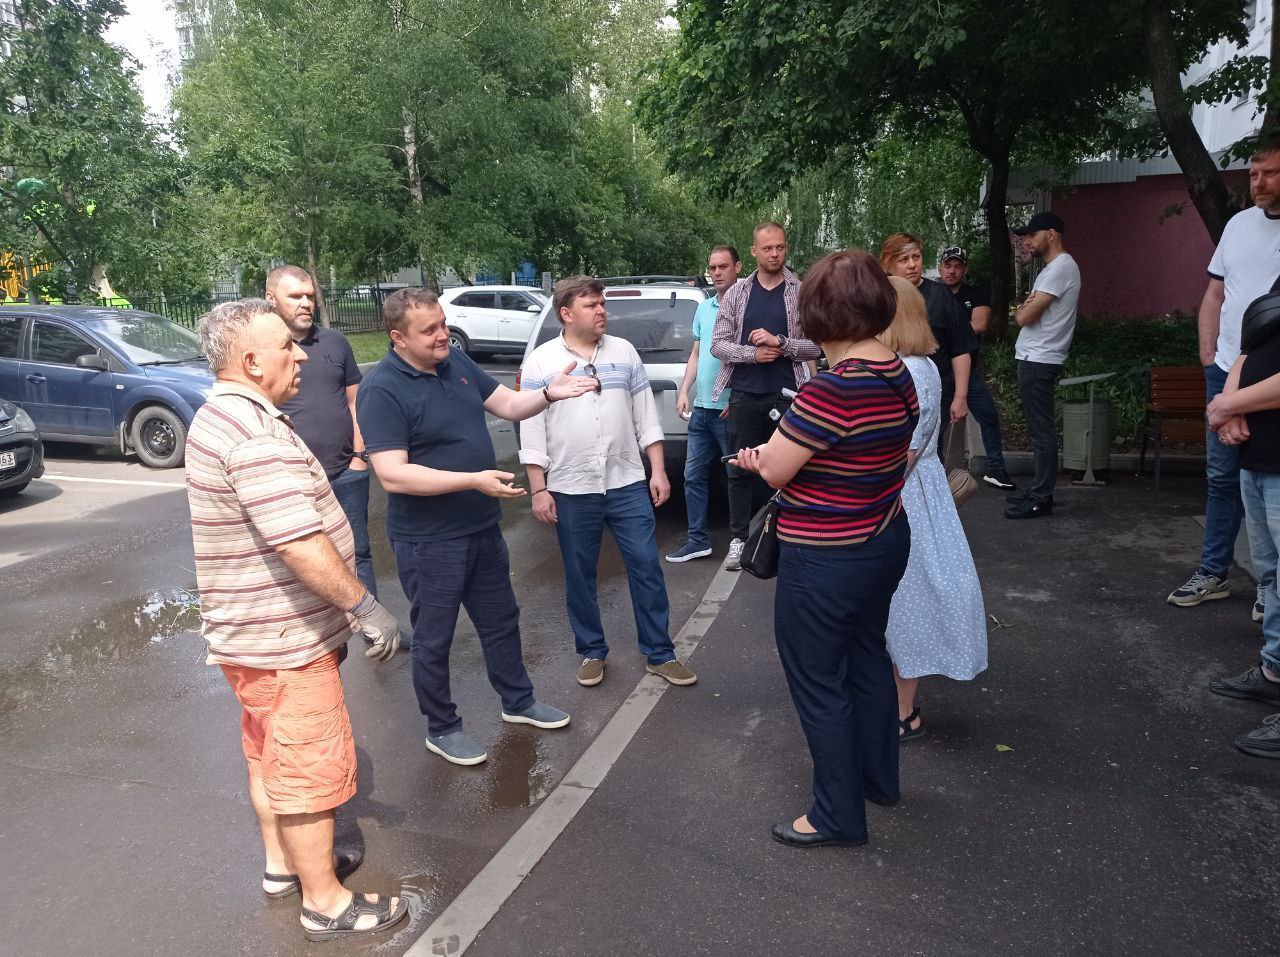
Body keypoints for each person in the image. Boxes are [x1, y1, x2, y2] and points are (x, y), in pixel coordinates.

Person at [186, 299, 407, 942]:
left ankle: (283, 867)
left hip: (250, 638)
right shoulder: (254, 434)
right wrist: (366, 608)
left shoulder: (220, 414)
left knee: (269, 756)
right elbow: (299, 543)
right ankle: (326, 903)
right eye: (287, 346)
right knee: (308, 769)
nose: (300, 356)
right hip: (286, 642)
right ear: (253, 362)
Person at [357, 288, 597, 766]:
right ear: (398, 337)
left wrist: (547, 394)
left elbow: (508, 405)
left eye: (443, 323)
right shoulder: (381, 388)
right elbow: (392, 474)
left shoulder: (456, 362)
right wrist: (471, 480)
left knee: (500, 620)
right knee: (434, 637)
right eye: (429, 330)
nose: (443, 334)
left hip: (481, 527)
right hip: (429, 541)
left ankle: (518, 701)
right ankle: (442, 727)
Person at [732, 250, 918, 849]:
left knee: (818, 681)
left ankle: (836, 815)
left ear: (818, 314)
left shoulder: (832, 390)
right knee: (867, 660)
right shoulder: (897, 370)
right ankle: (878, 782)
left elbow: (777, 469)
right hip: (883, 537)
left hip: (826, 554)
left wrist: (758, 459)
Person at [520, 276, 698, 689]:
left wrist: (657, 470)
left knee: (646, 566)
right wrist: (539, 488)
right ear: (566, 313)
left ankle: (660, 653)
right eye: (591, 305)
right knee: (580, 573)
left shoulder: (624, 352)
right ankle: (592, 651)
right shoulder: (542, 362)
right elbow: (531, 429)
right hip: (570, 485)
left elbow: (645, 417)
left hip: (626, 480)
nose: (602, 311)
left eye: (602, 303)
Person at [1169, 137, 1280, 616]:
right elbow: (1214, 294)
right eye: (1254, 174)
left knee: (1267, 481)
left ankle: (1270, 588)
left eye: (1270, 173)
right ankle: (1213, 572)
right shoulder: (1237, 225)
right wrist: (1208, 354)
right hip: (1225, 371)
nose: (1259, 182)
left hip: (1271, 380)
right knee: (1221, 477)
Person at [880, 277, 988, 741]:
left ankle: (902, 712)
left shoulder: (906, 369)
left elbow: (902, 452)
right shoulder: (920, 364)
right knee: (909, 597)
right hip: (919, 490)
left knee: (906, 599)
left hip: (904, 492)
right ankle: (897, 707)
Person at [711, 222, 822, 571]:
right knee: (739, 468)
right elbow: (717, 345)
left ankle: (791, 537)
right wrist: (752, 354)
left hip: (788, 395)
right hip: (745, 394)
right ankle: (739, 539)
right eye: (768, 248)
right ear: (754, 251)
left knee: (792, 469)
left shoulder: (800, 291)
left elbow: (818, 346)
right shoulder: (737, 293)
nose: (775, 254)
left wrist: (781, 343)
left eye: (780, 247)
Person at [267, 265, 377, 597]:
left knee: (358, 552)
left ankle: (371, 622)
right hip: (290, 480)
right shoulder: (265, 349)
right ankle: (321, 625)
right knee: (301, 559)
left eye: (310, 296)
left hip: (346, 474)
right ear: (271, 299)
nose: (306, 303)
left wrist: (359, 457)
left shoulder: (335, 343)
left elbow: (356, 401)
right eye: (295, 296)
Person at [1205, 291, 1280, 758]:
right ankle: (1274, 671)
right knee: (1271, 576)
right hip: (1259, 455)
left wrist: (1225, 405)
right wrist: (1229, 403)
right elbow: (1251, 346)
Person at [666, 245, 742, 563]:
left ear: (738, 267)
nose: (717, 273)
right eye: (712, 268)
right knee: (693, 476)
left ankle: (741, 541)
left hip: (730, 410)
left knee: (737, 478)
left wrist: (738, 398)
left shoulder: (746, 307)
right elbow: (696, 355)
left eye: (723, 266)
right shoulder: (704, 308)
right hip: (702, 409)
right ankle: (698, 540)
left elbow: (752, 359)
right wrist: (685, 390)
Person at [1005, 211, 1081, 520]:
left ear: (1051, 233)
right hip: (1034, 357)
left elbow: (1023, 316)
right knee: (1038, 430)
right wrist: (1025, 305)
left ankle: (1041, 497)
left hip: (1040, 359)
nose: (1027, 241)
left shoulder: (1061, 267)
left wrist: (1023, 307)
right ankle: (1039, 490)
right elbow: (1025, 310)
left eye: (1032, 235)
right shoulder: (1051, 269)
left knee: (1041, 432)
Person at [879, 233, 977, 462]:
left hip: (933, 392)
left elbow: (960, 348)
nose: (912, 265)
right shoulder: (877, 297)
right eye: (904, 259)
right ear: (887, 264)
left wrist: (961, 397)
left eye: (916, 257)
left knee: (925, 454)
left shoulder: (941, 296)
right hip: (886, 392)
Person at [938, 246, 1015, 490]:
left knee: (989, 416)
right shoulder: (931, 293)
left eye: (957, 266)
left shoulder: (977, 294)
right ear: (940, 268)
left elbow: (980, 324)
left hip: (968, 371)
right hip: (939, 371)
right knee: (935, 424)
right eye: (947, 265)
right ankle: (935, 478)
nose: (952, 271)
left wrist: (944, 333)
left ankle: (996, 470)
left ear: (965, 270)